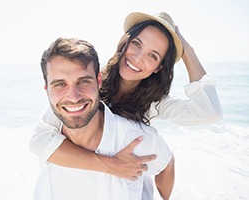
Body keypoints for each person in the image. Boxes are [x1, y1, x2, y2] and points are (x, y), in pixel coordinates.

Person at [30, 11, 222, 198]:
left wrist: (187, 52)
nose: (137, 58)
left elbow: (209, 113)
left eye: (152, 56)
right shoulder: (87, 84)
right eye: (136, 44)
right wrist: (110, 164)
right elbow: (40, 141)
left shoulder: (154, 103)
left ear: (159, 67)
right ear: (126, 41)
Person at [33, 37, 173, 200]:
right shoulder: (49, 133)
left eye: (83, 81)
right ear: (47, 89)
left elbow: (167, 164)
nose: (73, 97)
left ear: (99, 81)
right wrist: (112, 165)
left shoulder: (136, 138)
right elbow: (37, 142)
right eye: (59, 84)